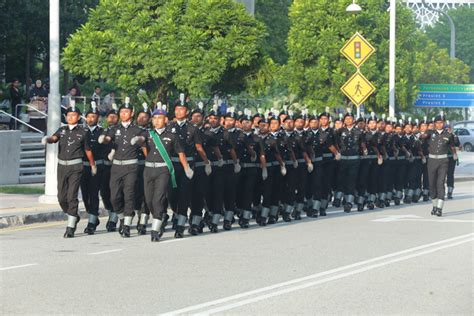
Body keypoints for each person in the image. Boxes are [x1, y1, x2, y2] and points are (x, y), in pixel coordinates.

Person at [41, 103, 96, 238]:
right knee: (61, 197)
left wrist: (93, 165)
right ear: (66, 117)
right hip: (62, 166)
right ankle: (73, 215)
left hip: (76, 166)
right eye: (69, 115)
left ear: (78, 117)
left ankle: (71, 226)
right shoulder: (62, 130)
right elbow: (54, 138)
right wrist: (47, 139)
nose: (71, 117)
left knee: (72, 195)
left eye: (74, 115)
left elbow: (88, 150)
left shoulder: (83, 132)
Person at [98, 97, 147, 237]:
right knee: (114, 197)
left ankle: (127, 224)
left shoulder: (137, 129)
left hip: (131, 166)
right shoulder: (115, 129)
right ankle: (121, 218)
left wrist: (138, 140)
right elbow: (108, 138)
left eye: (127, 112)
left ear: (132, 113)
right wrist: (104, 139)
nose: (124, 114)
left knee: (129, 194)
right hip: (116, 167)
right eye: (122, 112)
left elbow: (143, 138)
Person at [143, 106, 191, 242]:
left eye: (160, 118)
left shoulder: (172, 136)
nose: (157, 121)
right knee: (149, 200)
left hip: (163, 170)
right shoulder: (148, 134)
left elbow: (181, 154)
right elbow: (143, 144)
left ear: (166, 120)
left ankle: (155, 229)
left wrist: (187, 168)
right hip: (148, 170)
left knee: (158, 199)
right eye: (155, 118)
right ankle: (161, 216)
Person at [420, 112, 457, 216]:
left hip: (443, 161)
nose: (439, 124)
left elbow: (455, 144)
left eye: (441, 122)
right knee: (431, 184)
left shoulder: (448, 135)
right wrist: (422, 135)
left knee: (440, 183)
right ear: (434, 123)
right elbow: (423, 136)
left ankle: (439, 208)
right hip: (432, 161)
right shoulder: (430, 133)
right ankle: (435, 205)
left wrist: (454, 152)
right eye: (437, 122)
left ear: (444, 123)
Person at [81, 102, 106, 234]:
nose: (91, 119)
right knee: (85, 195)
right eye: (89, 116)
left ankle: (91, 222)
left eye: (93, 116)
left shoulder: (102, 131)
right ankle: (93, 216)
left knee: (93, 193)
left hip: (98, 166)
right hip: (83, 166)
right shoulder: (82, 131)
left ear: (98, 118)